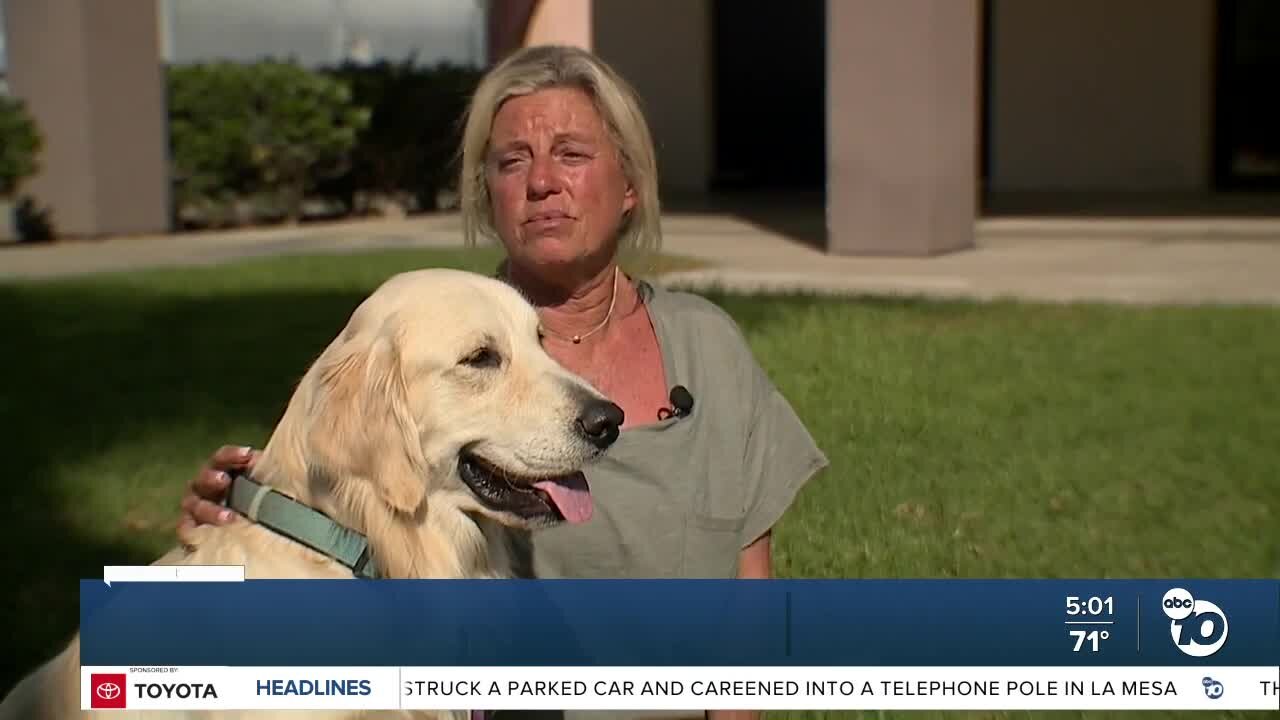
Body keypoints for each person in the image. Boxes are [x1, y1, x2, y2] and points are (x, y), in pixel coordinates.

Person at [178, 45, 828, 719]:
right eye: (512, 161)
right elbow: (304, 541)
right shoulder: (428, 338)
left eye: (571, 153)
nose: (542, 181)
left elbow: (748, 612)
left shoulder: (709, 345)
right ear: (488, 195)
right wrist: (233, 521)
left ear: (630, 184)